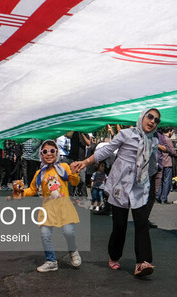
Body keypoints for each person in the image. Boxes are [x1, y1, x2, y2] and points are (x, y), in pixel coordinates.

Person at [72, 108, 160, 277]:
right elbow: (107, 150)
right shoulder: (127, 134)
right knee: (120, 225)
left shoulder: (153, 141)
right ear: (142, 117)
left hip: (140, 187)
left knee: (142, 224)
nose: (152, 122)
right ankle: (114, 256)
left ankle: (142, 263)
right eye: (150, 117)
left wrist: (148, 181)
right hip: (121, 185)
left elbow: (153, 164)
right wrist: (85, 162)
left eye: (156, 120)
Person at [21, 140, 82, 272]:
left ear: (57, 152)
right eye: (45, 151)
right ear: (41, 154)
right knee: (45, 234)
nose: (49, 154)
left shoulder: (64, 167)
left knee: (68, 231)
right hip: (48, 209)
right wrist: (20, 192)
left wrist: (74, 172)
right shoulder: (40, 173)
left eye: (52, 151)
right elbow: (31, 190)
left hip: (64, 207)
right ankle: (51, 261)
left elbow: (75, 182)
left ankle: (73, 251)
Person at [156, 128, 176, 204]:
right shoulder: (167, 139)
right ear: (169, 131)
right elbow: (172, 151)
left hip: (160, 161)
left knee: (160, 180)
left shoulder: (159, 137)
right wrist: (175, 153)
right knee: (167, 181)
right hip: (167, 162)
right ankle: (163, 198)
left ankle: (158, 196)